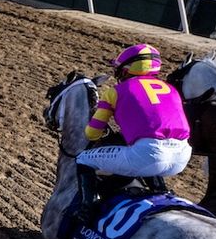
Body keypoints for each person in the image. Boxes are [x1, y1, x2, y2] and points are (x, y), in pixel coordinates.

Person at [75, 43, 192, 211]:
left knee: (83, 159)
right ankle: (160, 190)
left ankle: (87, 209)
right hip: (182, 157)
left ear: (126, 69)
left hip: (148, 155)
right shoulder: (171, 89)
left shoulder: (115, 91)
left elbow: (92, 134)